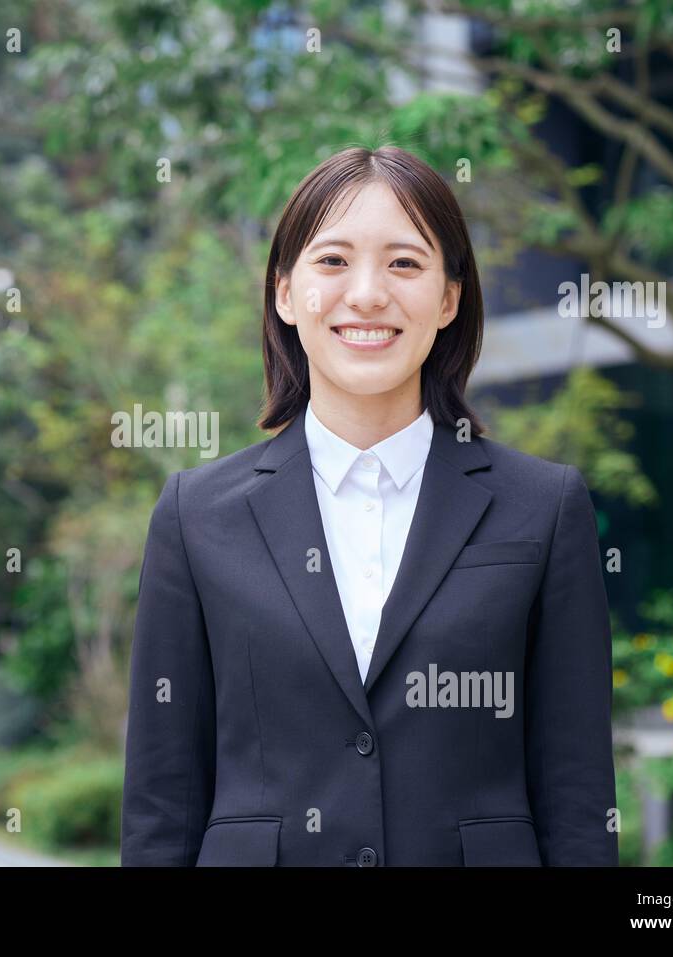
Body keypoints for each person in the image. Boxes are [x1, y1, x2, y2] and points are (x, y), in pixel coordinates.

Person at [120, 144, 618, 866]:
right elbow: (162, 801)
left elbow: (577, 796)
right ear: (285, 292)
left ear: (449, 298)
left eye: (405, 263)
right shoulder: (196, 515)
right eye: (332, 260)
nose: (367, 293)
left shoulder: (543, 507)